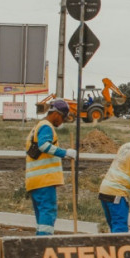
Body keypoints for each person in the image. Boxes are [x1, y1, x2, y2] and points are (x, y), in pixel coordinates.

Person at [25, 99, 77, 236]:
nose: (62, 122)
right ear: (56, 114)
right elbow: (44, 146)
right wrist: (65, 153)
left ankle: (38, 246)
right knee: (48, 214)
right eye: (63, 119)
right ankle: (44, 246)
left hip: (34, 182)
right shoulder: (46, 126)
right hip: (45, 181)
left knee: (41, 219)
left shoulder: (36, 127)